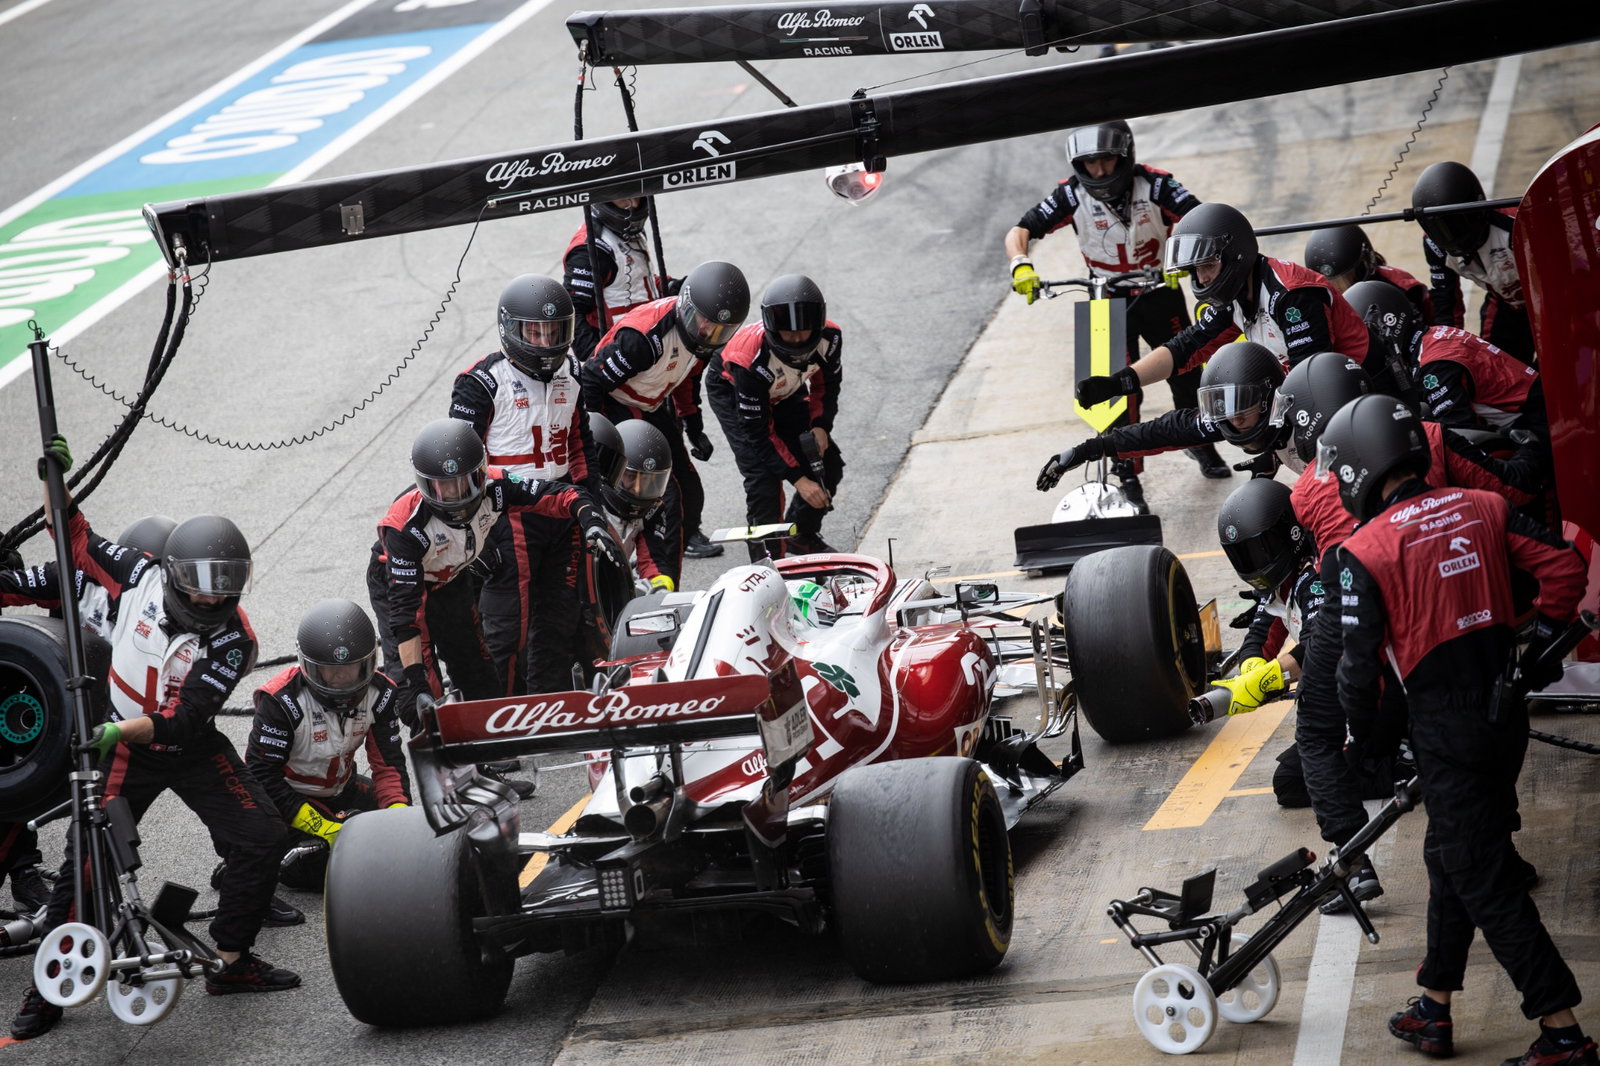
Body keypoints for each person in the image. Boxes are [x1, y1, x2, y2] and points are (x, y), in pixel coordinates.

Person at [1324, 395, 1595, 1066]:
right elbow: (1564, 569)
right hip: (1505, 720)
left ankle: (1563, 1035)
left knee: (1485, 879)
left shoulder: (1364, 550)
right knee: (1453, 857)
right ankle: (1433, 1008)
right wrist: (1535, 655)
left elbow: (1358, 675)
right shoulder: (1484, 506)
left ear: (1358, 466)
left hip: (1446, 732)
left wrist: (1370, 749)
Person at [14, 442, 298, 1041]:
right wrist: (55, 478)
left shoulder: (233, 641)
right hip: (123, 751)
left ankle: (230, 960)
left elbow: (184, 721)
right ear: (172, 574)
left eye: (225, 585)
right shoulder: (137, 574)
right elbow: (76, 538)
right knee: (84, 861)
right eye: (201, 584)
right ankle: (48, 986)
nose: (213, 597)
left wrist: (116, 728)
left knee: (263, 836)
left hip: (184, 747)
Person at [1006, 120, 1229, 481]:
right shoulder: (1070, 193)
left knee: (1187, 375)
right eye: (1090, 163)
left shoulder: (1157, 184)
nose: (1099, 171)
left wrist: (1182, 256)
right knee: (1109, 394)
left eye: (1107, 160)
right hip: (1103, 296)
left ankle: (1200, 442)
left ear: (1125, 155)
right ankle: (1126, 470)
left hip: (1159, 290)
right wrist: (1020, 265)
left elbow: (1203, 220)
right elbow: (1020, 230)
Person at [367, 418, 622, 727]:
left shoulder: (497, 485)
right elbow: (406, 621)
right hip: (403, 584)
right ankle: (448, 754)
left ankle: (486, 750)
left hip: (451, 576)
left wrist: (591, 520)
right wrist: (418, 684)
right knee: (415, 695)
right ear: (424, 485)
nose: (456, 494)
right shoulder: (404, 528)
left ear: (482, 472)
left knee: (479, 672)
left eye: (465, 482)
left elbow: (559, 494)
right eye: (443, 487)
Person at [0, 515, 175, 919]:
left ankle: (248, 879)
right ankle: (43, 892)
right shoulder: (76, 579)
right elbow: (11, 588)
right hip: (51, 723)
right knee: (14, 805)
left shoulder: (174, 614)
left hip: (130, 731)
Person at [1074, 202, 1389, 411]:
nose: (1201, 277)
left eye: (1206, 266)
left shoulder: (1292, 295)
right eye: (1194, 270)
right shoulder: (1239, 292)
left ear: (1234, 253)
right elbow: (1187, 346)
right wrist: (1119, 382)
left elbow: (1308, 379)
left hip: (1370, 397)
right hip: (1330, 400)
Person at [451, 273, 594, 695]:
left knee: (559, 616)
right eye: (536, 331)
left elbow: (581, 444)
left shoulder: (574, 371)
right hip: (508, 515)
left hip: (563, 507)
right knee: (508, 625)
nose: (547, 341)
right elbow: (460, 466)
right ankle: (500, 717)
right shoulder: (480, 384)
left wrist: (591, 502)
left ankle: (547, 707)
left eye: (555, 331)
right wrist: (470, 532)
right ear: (511, 329)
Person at [579, 260, 750, 578]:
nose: (706, 334)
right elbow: (590, 381)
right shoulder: (643, 339)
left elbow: (687, 377)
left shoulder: (703, 342)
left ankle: (680, 542)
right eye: (701, 323)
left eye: (718, 330)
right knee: (662, 494)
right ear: (686, 306)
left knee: (689, 486)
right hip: (613, 403)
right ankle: (653, 570)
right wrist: (600, 443)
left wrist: (693, 423)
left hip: (651, 404)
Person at [242, 599, 411, 893]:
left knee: (406, 833)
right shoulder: (281, 701)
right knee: (331, 868)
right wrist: (325, 827)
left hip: (341, 790)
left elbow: (389, 765)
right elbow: (260, 776)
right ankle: (244, 864)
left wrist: (397, 815)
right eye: (330, 671)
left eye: (351, 668)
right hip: (284, 802)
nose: (341, 679)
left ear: (368, 662)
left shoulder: (381, 694)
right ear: (310, 667)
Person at [1037, 340, 1291, 502]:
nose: (1235, 417)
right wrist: (1085, 451)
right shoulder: (1229, 419)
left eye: (1244, 402)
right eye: (1226, 405)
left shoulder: (1308, 408)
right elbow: (1161, 432)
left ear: (1268, 394)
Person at [706, 274, 846, 560]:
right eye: (788, 332)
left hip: (785, 388)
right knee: (763, 481)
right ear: (771, 326)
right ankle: (768, 562)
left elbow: (827, 386)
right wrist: (798, 480)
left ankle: (801, 535)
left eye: (804, 331)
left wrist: (820, 426)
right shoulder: (749, 361)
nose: (796, 338)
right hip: (735, 390)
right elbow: (758, 433)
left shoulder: (830, 339)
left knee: (827, 463)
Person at [1343, 279, 1547, 443]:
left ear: (1388, 323)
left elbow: (1462, 436)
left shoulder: (1432, 366)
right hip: (1536, 411)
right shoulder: (1431, 338)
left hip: (1536, 427)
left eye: (1365, 338)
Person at [1208, 477, 1323, 718]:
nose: (1252, 562)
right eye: (1243, 555)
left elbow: (1321, 644)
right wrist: (1253, 666)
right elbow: (1260, 634)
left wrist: (1268, 679)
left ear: (1289, 534)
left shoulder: (1315, 577)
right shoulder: (1282, 581)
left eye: (1258, 551)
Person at [1412, 160, 1535, 364]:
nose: (1449, 236)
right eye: (1440, 228)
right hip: (1506, 305)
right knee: (1496, 367)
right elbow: (1446, 299)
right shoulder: (1434, 245)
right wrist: (1447, 350)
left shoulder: (1517, 223)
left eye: (1455, 224)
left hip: (1552, 303)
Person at [579, 415, 678, 667]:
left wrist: (659, 594)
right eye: (630, 478)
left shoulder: (654, 508)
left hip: (621, 584)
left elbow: (654, 560)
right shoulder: (590, 507)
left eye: (649, 482)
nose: (637, 490)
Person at [563, 197, 665, 363]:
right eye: (623, 198)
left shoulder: (630, 232)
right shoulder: (591, 251)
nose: (633, 204)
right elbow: (572, 310)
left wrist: (681, 287)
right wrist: (598, 362)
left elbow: (638, 281)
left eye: (635, 194)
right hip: (619, 354)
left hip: (647, 342)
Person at [1303, 224, 1434, 323]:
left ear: (1366, 263)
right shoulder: (1317, 303)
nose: (1340, 292)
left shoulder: (1400, 286)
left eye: (1344, 282)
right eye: (1331, 285)